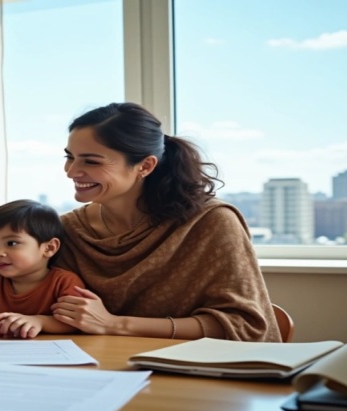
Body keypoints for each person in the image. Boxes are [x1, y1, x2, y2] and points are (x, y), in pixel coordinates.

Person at [50, 102, 279, 342]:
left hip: (198, 370)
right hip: (104, 367)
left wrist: (115, 324)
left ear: (145, 166)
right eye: (70, 157)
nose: (71, 171)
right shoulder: (68, 231)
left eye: (91, 161)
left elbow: (243, 325)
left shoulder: (210, 222)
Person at [0, 200, 85, 338]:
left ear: (49, 248)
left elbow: (75, 322)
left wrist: (40, 322)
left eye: (12, 243)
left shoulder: (65, 281)